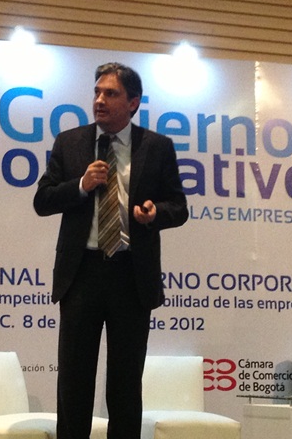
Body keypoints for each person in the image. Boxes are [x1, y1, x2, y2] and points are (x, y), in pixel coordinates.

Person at [33, 62, 188, 439]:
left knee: (125, 384)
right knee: (74, 381)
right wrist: (81, 185)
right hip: (81, 275)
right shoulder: (69, 142)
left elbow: (179, 207)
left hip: (130, 277)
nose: (99, 100)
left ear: (133, 103)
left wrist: (155, 214)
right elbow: (43, 200)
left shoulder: (157, 147)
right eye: (97, 92)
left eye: (111, 93)